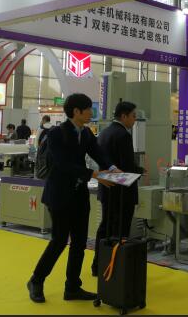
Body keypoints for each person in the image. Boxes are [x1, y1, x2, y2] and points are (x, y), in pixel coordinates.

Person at [27, 93, 117, 304]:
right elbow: (62, 164)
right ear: (76, 111)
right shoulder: (57, 134)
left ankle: (73, 287)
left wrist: (112, 168)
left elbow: (98, 153)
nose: (91, 113)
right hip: (59, 194)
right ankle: (36, 280)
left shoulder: (85, 133)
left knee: (79, 242)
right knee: (59, 241)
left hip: (79, 195)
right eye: (88, 109)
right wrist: (93, 174)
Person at [92, 101, 145, 277]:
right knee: (120, 230)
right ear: (124, 116)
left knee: (105, 226)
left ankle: (98, 264)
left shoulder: (104, 132)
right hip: (122, 191)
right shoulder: (123, 135)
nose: (135, 120)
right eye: (133, 116)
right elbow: (127, 166)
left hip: (106, 188)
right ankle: (115, 266)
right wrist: (140, 170)